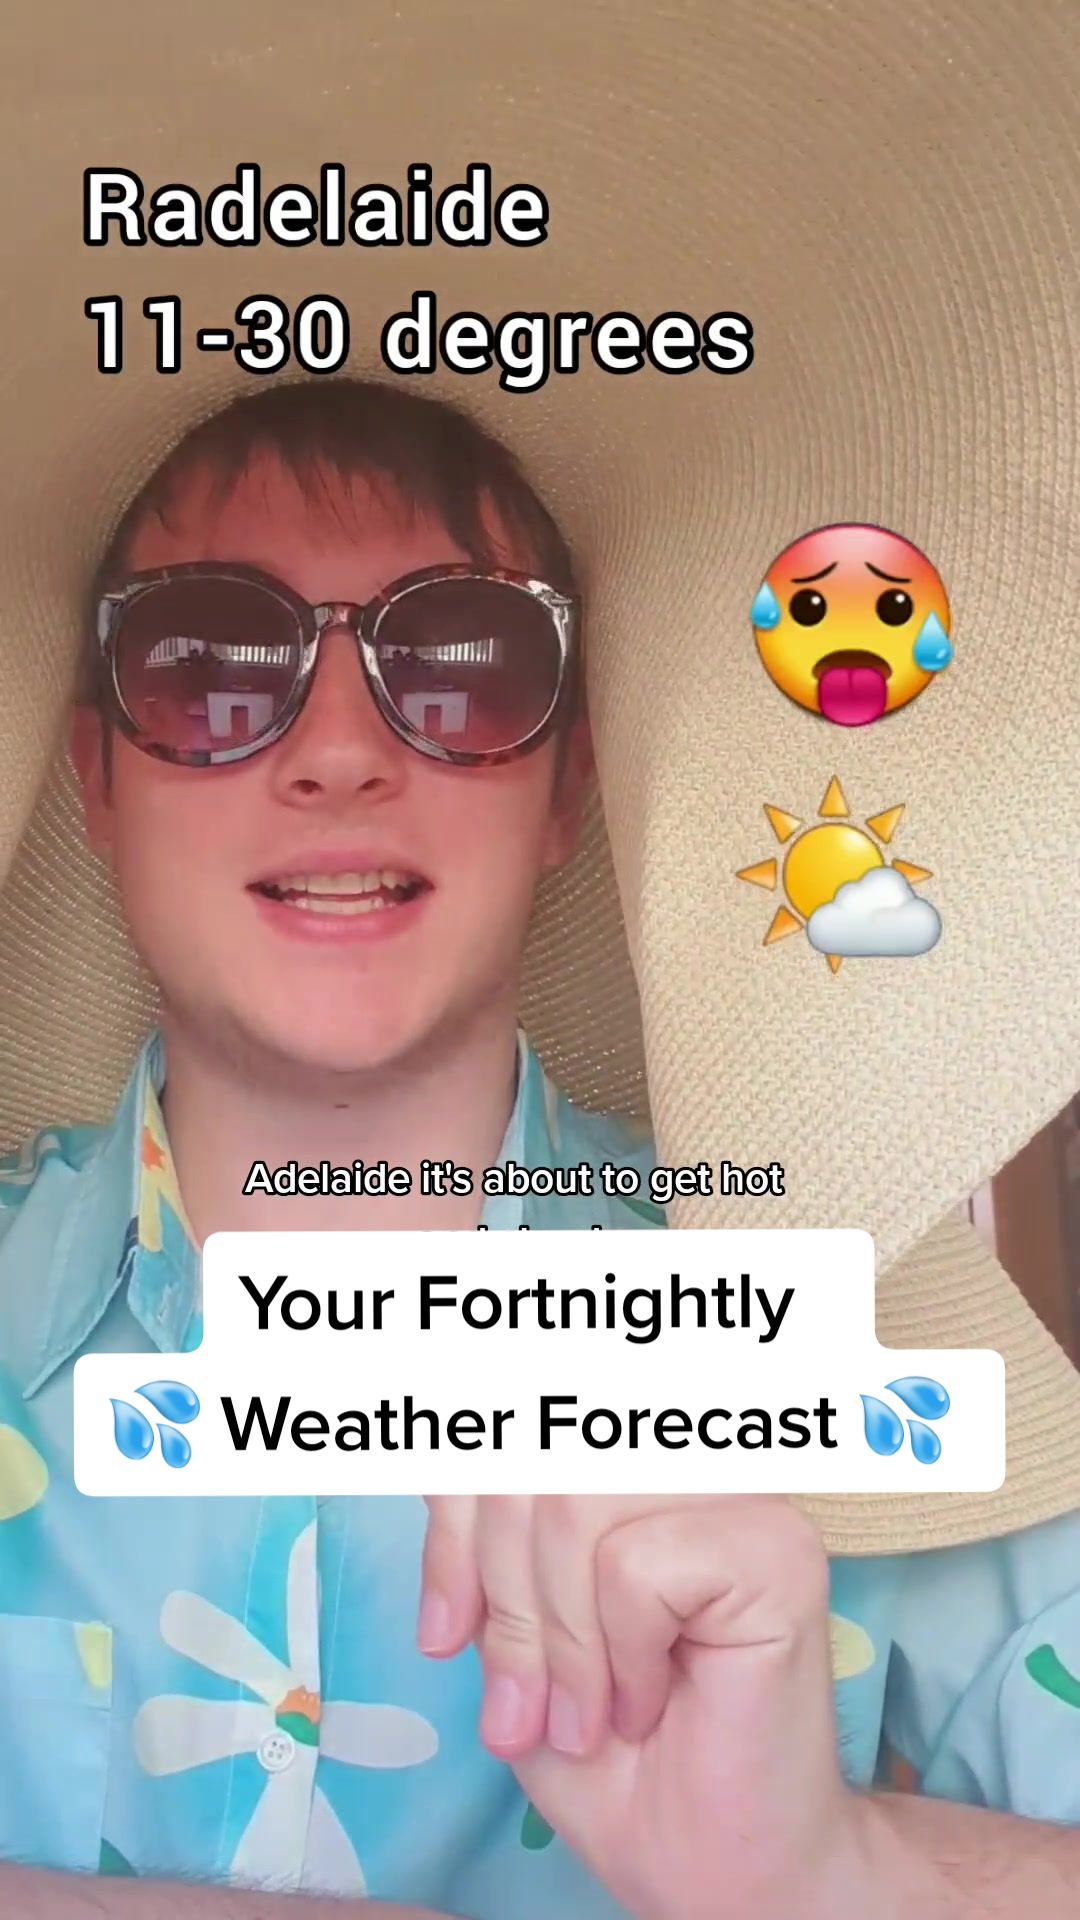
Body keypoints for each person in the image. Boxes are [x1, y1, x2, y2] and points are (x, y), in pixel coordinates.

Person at [1, 375, 1080, 1920]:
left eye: (460, 666)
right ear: (98, 780)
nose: (339, 754)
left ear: (567, 782)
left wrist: (838, 1872)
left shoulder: (855, 1331)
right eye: (209, 664)